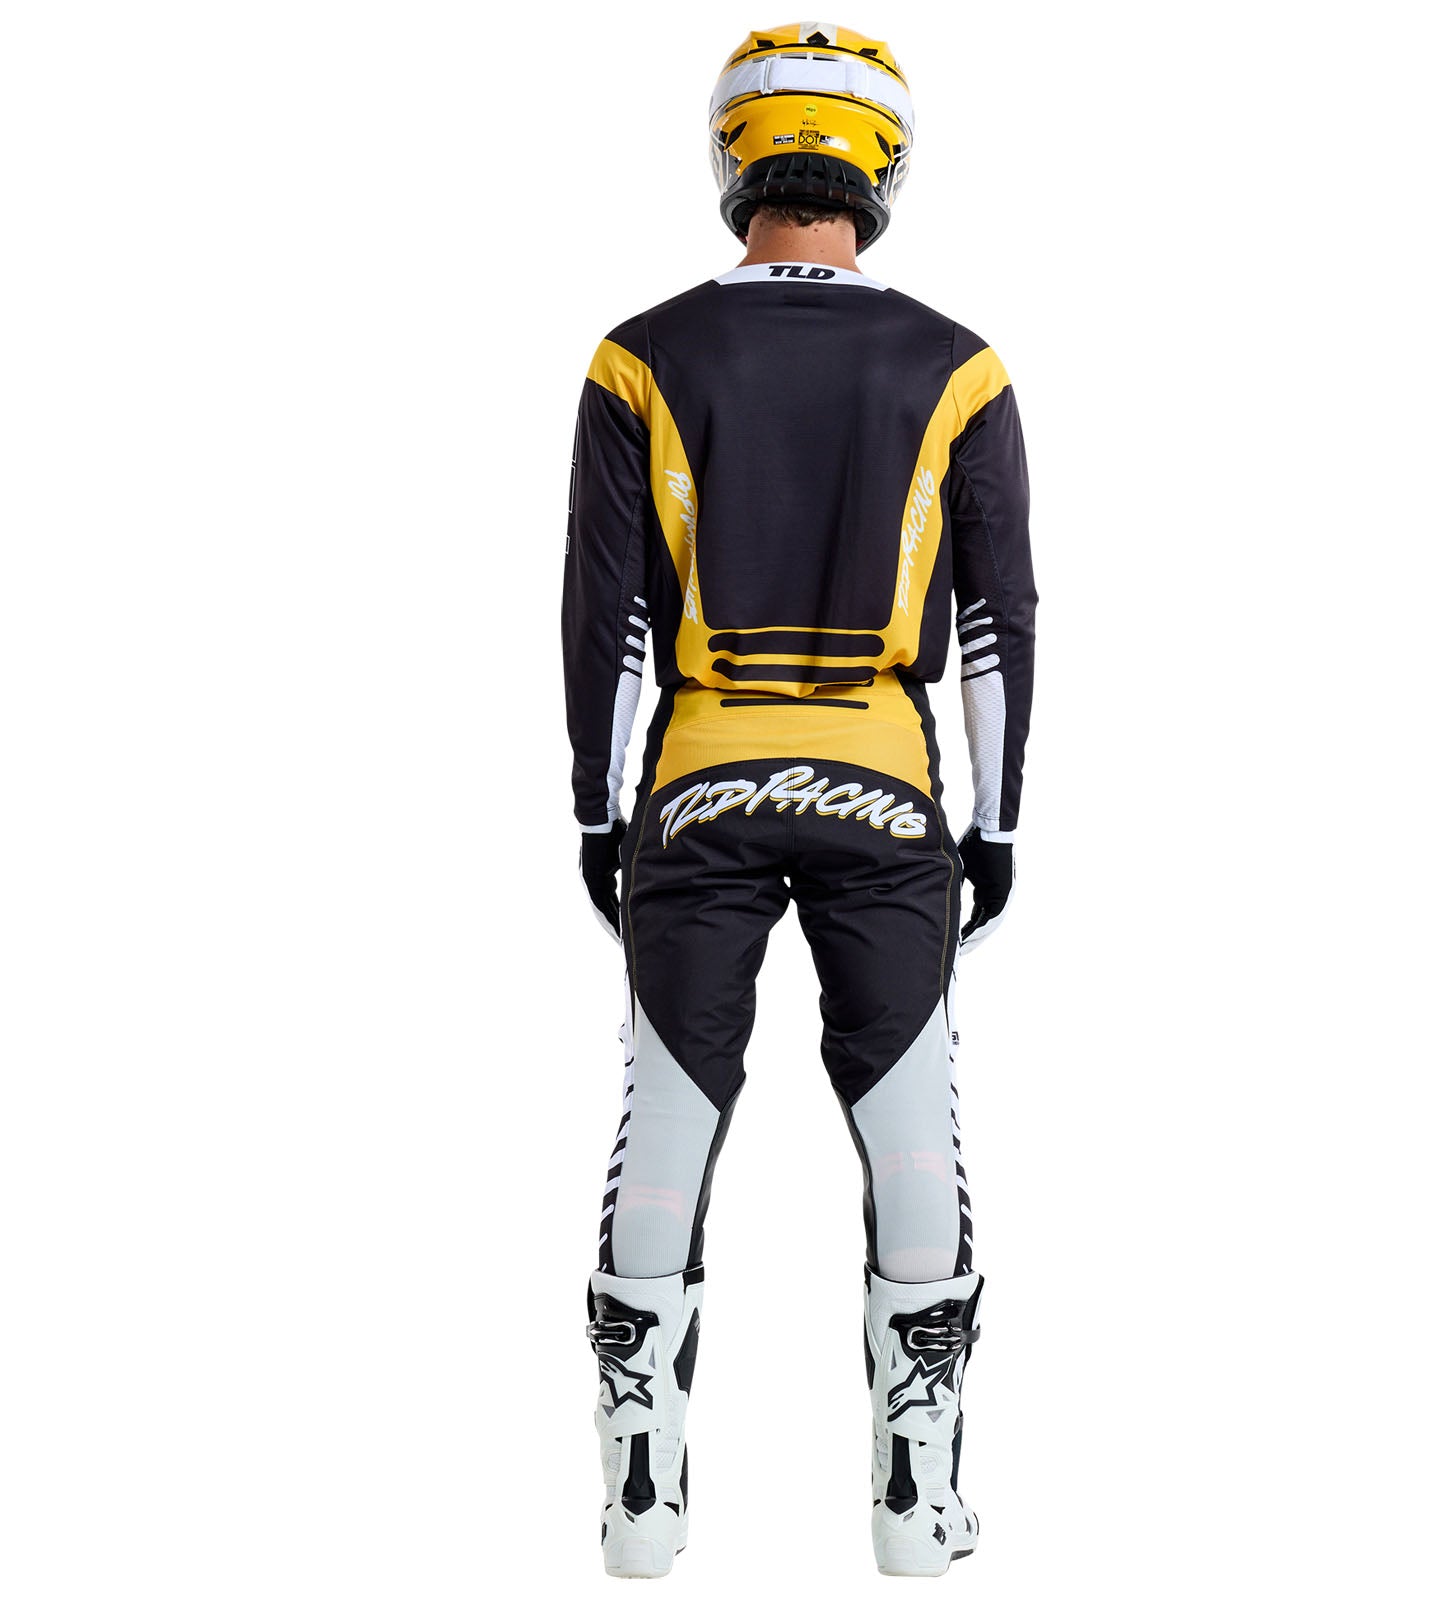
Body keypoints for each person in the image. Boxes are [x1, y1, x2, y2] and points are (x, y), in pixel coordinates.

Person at [561, 22, 1036, 1579]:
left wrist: (598, 811)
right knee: (909, 1128)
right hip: (886, 788)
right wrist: (996, 825)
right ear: (883, 163)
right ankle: (916, 1509)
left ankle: (641, 1511)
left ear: (732, 153)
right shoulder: (959, 367)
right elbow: (999, 617)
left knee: (667, 1122)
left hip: (696, 781)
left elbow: (607, 618)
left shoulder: (638, 358)